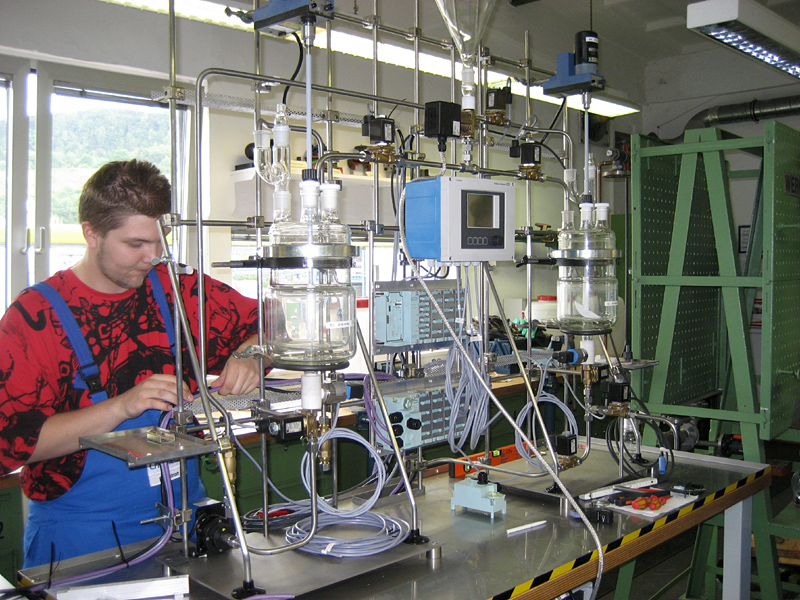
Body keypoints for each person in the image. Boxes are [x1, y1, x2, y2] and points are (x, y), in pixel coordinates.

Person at [0, 159, 267, 568]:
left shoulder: (178, 289)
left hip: (186, 521)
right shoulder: (35, 317)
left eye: (161, 241)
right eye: (135, 244)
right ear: (91, 233)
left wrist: (251, 353)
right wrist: (122, 406)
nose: (152, 257)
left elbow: (273, 324)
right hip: (82, 536)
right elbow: (12, 442)